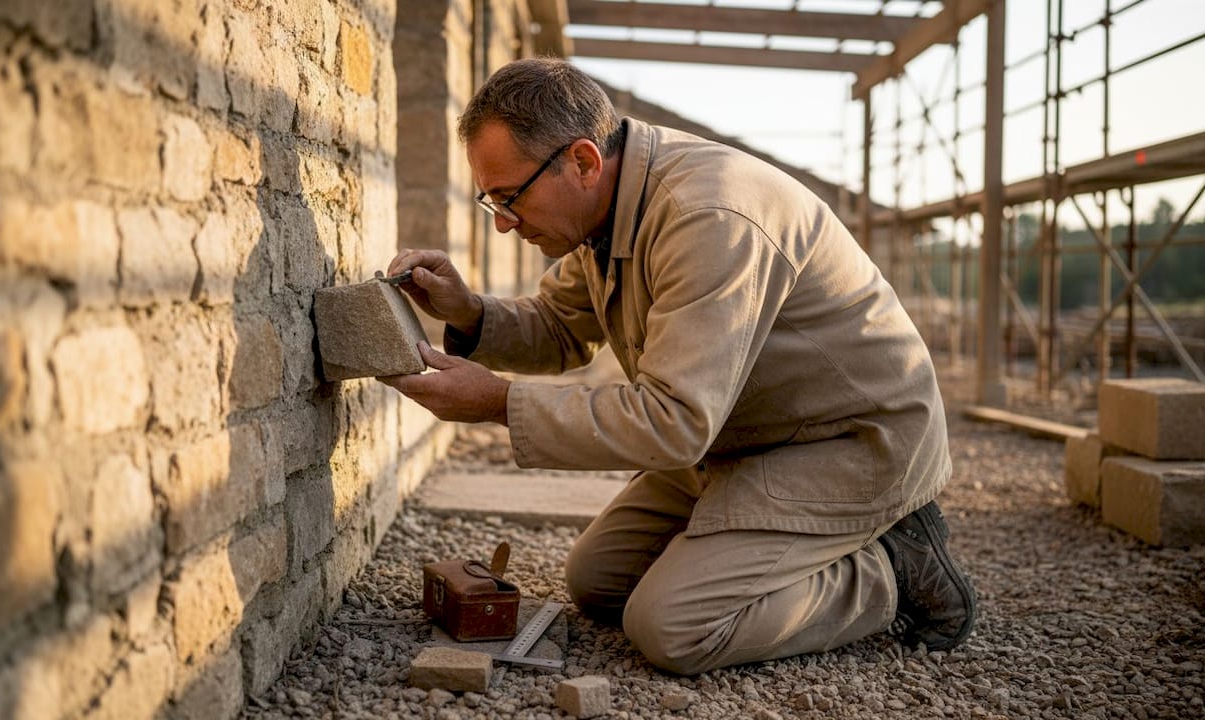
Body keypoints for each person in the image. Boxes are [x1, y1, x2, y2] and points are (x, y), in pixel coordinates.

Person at [381, 58, 976, 675]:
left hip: (847, 445)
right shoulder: (604, 209)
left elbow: (675, 419)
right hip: (742, 436)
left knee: (673, 627)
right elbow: (560, 329)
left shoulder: (706, 217)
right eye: (490, 201)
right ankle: (764, 545)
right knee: (597, 581)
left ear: (582, 161)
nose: (503, 223)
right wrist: (469, 312)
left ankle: (890, 572)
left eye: (510, 198)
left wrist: (499, 404)